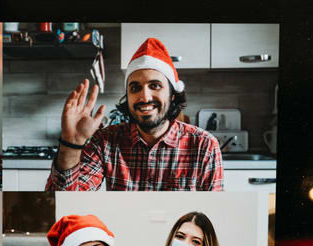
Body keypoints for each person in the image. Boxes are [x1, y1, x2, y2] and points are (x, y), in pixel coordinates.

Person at [47, 37, 224, 192]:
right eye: (135, 88)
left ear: (172, 94)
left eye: (155, 85)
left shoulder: (204, 145)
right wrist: (71, 143)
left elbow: (211, 211)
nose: (144, 97)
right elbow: (70, 198)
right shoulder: (105, 141)